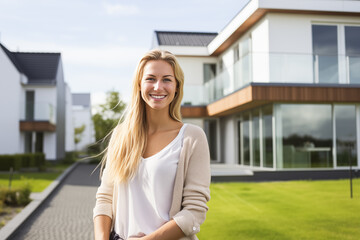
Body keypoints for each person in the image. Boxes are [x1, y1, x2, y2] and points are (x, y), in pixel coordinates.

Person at [93, 49, 211, 240]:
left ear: (177, 87)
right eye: (150, 79)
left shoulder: (192, 137)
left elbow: (194, 212)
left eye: (166, 79)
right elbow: (105, 198)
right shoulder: (121, 135)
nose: (158, 87)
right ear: (139, 85)